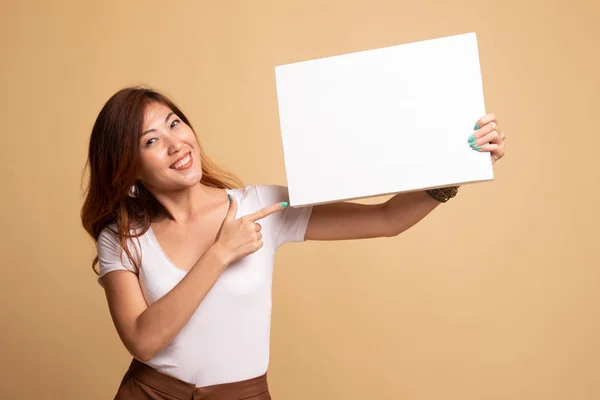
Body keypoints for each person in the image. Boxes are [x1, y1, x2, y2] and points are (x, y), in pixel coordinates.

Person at [80, 86, 506, 399]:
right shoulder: (121, 237)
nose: (176, 143)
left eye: (175, 123)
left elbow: (386, 217)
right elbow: (141, 339)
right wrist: (221, 251)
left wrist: (459, 165)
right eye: (151, 140)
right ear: (128, 167)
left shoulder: (262, 204)